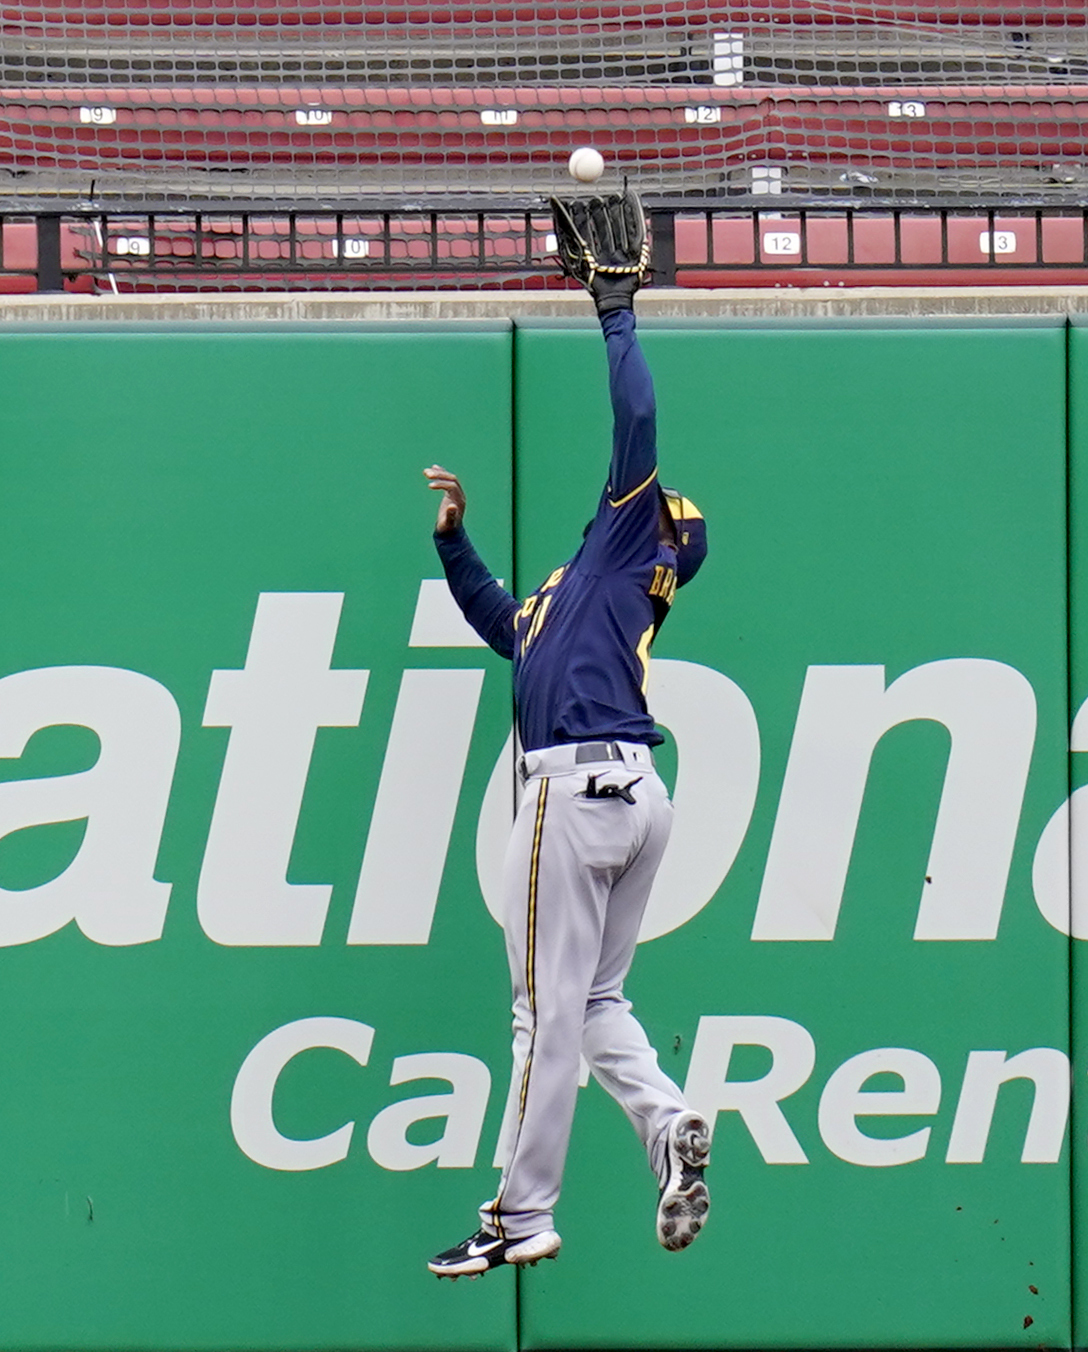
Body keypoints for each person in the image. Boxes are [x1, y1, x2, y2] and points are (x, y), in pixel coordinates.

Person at [420, 190, 713, 1280]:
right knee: (594, 1001)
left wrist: (616, 311)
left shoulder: (631, 545)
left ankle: (523, 1209)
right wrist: (456, 547)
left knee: (541, 1012)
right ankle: (669, 1126)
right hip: (633, 798)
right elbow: (508, 628)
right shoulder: (575, 591)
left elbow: (636, 424)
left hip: (574, 792)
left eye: (658, 504)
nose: (645, 497)